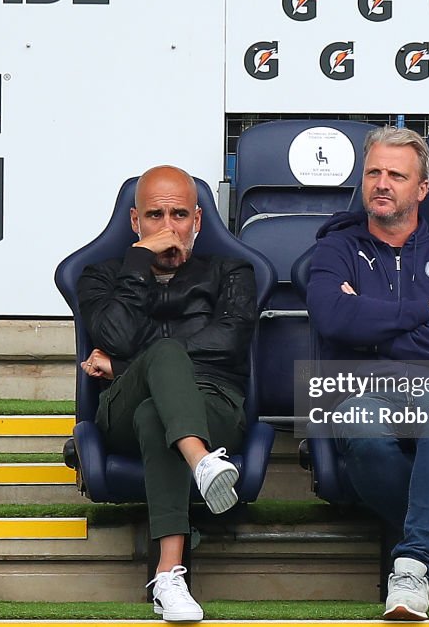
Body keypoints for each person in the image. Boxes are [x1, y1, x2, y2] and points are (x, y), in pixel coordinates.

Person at [306, 127, 429, 620]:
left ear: (421, 190)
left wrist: (371, 330)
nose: (382, 183)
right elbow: (332, 318)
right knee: (360, 427)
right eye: (373, 172)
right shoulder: (335, 251)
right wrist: (424, 309)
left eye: (397, 175)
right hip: (363, 393)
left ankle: (413, 564)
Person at [77, 165, 256, 622]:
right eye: (155, 215)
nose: (168, 227)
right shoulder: (99, 276)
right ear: (135, 223)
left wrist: (119, 364)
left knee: (157, 416)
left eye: (179, 215)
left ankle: (169, 577)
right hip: (121, 407)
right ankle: (203, 463)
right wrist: (138, 262)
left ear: (198, 220)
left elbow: (230, 342)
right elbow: (112, 332)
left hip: (212, 404)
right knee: (162, 363)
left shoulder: (231, 271)